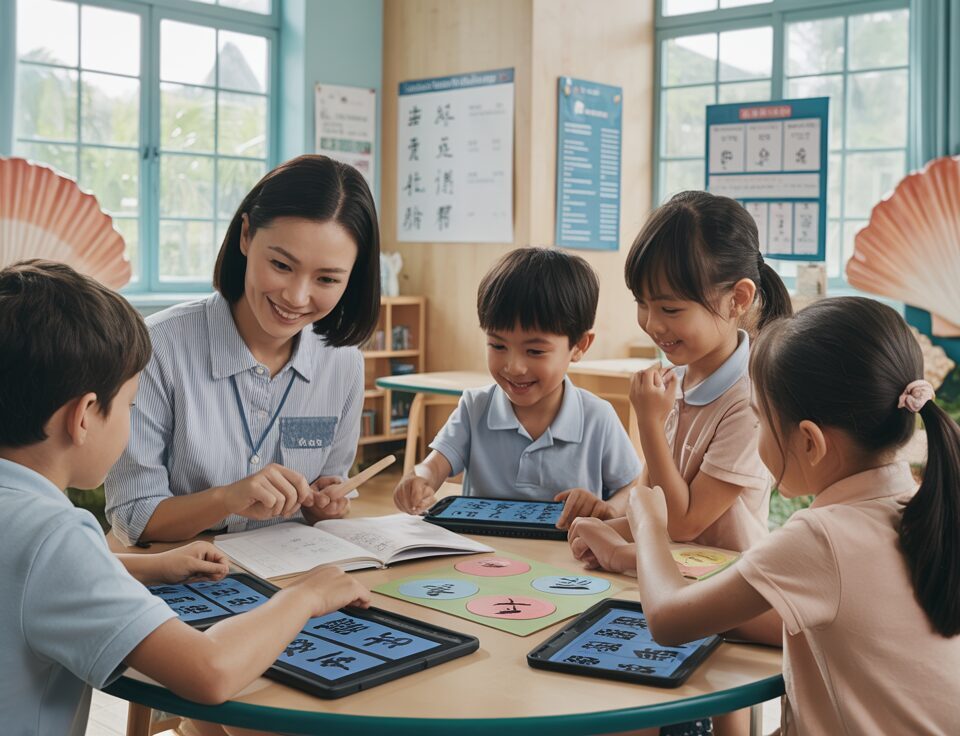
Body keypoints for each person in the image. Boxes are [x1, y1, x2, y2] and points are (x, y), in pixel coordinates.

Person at [0, 260, 370, 736]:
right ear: (85, 416)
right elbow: (209, 672)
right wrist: (307, 596)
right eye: (130, 405)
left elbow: (27, 576)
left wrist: (150, 565)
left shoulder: (27, 524)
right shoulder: (53, 534)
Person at [575, 297, 960, 734]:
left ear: (810, 442)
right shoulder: (919, 507)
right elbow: (777, 619)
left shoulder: (822, 535)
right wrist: (627, 558)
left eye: (759, 421)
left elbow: (667, 621)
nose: (755, 434)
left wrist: (647, 524)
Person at [106, 155, 381, 544]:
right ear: (247, 235)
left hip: (290, 577)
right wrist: (227, 499)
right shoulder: (158, 349)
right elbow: (132, 516)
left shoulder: (343, 364)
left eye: (327, 278)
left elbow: (329, 489)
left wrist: (324, 505)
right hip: (183, 580)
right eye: (282, 265)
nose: (297, 296)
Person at [568, 190, 793, 574]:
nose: (653, 324)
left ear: (737, 298)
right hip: (667, 576)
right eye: (642, 303)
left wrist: (649, 424)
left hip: (725, 589)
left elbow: (684, 523)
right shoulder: (676, 379)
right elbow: (651, 501)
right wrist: (611, 520)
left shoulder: (750, 401)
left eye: (670, 309)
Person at [393, 247, 641, 528]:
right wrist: (420, 479)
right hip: (482, 558)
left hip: (566, 560)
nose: (514, 367)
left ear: (579, 346)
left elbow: (632, 486)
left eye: (534, 351)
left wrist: (608, 508)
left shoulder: (598, 417)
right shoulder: (475, 408)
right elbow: (436, 465)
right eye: (498, 346)